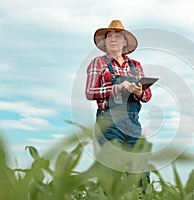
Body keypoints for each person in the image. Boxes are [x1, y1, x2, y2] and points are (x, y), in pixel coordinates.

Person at [85, 20, 152, 184]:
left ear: (124, 42)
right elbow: (90, 92)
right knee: (111, 167)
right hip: (108, 120)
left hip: (132, 121)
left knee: (139, 168)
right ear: (105, 42)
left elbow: (148, 95)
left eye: (117, 36)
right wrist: (118, 88)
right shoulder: (99, 63)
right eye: (109, 36)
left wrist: (139, 92)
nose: (113, 39)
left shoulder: (136, 66)